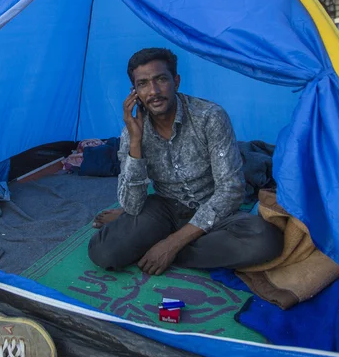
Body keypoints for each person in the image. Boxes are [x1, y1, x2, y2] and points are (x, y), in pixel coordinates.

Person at [88, 48, 283, 275]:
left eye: (161, 79)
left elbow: (231, 191)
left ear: (176, 81)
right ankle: (172, 247)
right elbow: (132, 206)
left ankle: (162, 250)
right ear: (135, 93)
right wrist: (135, 142)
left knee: (265, 241)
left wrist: (172, 244)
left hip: (214, 210)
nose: (154, 91)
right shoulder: (132, 132)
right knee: (103, 252)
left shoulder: (210, 117)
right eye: (143, 84)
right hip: (164, 207)